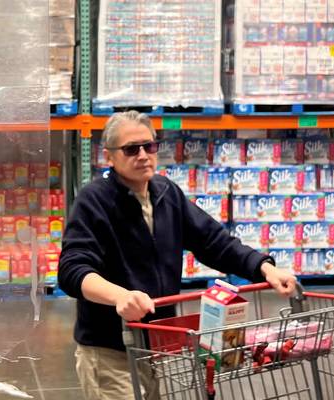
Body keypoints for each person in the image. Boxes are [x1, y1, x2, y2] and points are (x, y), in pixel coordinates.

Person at [58, 111, 298, 399]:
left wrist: (264, 268)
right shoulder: (94, 201)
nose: (143, 155)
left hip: (154, 346)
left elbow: (214, 242)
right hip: (110, 349)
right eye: (131, 149)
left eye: (149, 146)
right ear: (109, 156)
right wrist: (120, 296)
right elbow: (72, 270)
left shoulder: (165, 194)